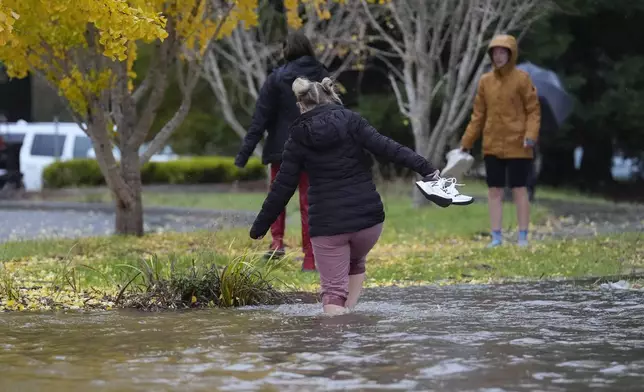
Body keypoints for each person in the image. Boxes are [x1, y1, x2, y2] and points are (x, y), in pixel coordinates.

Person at [248, 77, 463, 315]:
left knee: (332, 293)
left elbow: (282, 188)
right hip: (368, 222)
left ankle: (337, 347)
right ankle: (354, 338)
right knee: (354, 262)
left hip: (329, 227)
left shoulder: (297, 137)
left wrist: (259, 227)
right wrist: (428, 170)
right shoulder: (351, 121)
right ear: (330, 97)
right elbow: (388, 147)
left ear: (301, 105)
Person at [234, 32, 329, 271]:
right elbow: (335, 112)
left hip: (282, 150)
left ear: (287, 51)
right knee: (311, 204)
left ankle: (277, 244)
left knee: (277, 198)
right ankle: (310, 258)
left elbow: (261, 118)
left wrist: (244, 153)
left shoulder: (276, 78)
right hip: (314, 149)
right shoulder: (323, 75)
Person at [460, 34, 541, 248]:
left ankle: (523, 236)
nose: (498, 56)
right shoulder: (485, 81)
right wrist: (467, 141)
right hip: (492, 144)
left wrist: (530, 136)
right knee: (494, 190)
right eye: (495, 53)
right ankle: (496, 236)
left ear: (511, 54)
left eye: (503, 52)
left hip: (519, 144)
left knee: (519, 189)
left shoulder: (522, 79)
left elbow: (533, 111)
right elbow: (478, 115)